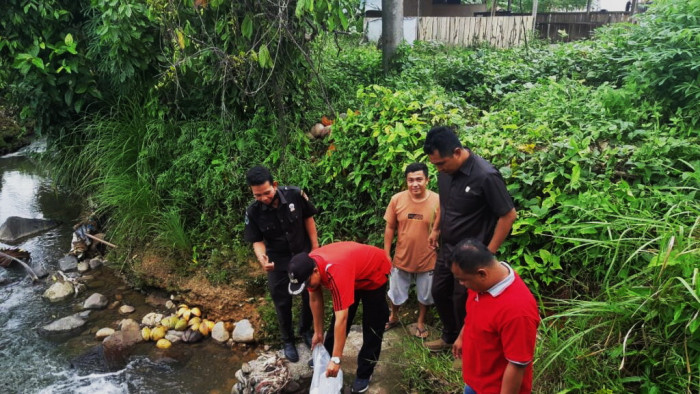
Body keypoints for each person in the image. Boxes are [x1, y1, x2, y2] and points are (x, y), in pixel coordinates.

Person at [423, 126, 517, 352]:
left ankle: (466, 348)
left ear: (457, 152)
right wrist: (436, 228)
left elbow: (508, 215)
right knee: (438, 291)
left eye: (441, 163)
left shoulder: (485, 175)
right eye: (435, 164)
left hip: (471, 254)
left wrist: (488, 254)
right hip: (448, 248)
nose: (438, 168)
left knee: (462, 300)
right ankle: (449, 337)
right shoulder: (445, 172)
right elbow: (445, 203)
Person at [288, 242, 391, 393]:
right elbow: (315, 299)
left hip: (373, 272)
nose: (307, 286)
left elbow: (342, 318)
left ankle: (364, 372)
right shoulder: (306, 267)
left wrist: (337, 360)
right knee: (338, 320)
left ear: (316, 271)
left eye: (307, 283)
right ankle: (326, 356)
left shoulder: (335, 271)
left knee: (372, 325)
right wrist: (317, 332)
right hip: (352, 272)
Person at [244, 165, 318, 362]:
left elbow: (308, 220)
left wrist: (316, 249)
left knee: (308, 295)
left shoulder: (295, 195)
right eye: (257, 195)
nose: (263, 198)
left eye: (266, 193)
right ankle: (288, 341)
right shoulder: (253, 211)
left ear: (274, 185)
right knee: (282, 301)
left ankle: (306, 331)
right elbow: (257, 240)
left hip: (302, 257)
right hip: (277, 263)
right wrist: (262, 258)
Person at [450, 239, 539, 394]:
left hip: (495, 388)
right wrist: (462, 336)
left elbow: (517, 364)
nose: (461, 284)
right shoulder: (483, 284)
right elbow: (474, 312)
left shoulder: (517, 311)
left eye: (463, 280)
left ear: (482, 273)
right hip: (475, 381)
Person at [383, 162, 440, 338]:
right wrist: (386, 254)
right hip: (402, 257)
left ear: (427, 180)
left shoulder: (438, 201)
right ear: (406, 181)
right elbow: (390, 228)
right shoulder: (397, 199)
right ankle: (393, 316)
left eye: (419, 179)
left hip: (428, 258)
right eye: (410, 180)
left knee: (425, 295)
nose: (415, 183)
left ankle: (421, 322)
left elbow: (442, 227)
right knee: (395, 292)